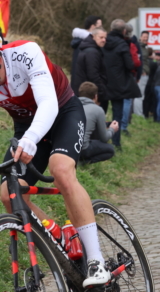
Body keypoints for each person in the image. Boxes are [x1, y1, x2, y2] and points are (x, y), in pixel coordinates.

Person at [0, 40, 112, 287]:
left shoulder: (25, 53)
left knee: (61, 170)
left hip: (62, 113)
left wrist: (31, 139)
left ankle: (96, 261)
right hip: (26, 125)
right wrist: (27, 135)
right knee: (9, 193)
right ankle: (56, 234)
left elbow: (48, 103)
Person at [102, 19, 140, 149]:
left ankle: (99, 142)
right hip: (119, 86)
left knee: (100, 114)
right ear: (124, 31)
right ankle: (116, 143)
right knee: (116, 116)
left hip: (103, 83)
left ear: (111, 29)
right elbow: (130, 65)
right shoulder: (123, 44)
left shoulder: (102, 41)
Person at [78, 82, 118, 164]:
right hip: (82, 149)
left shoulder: (70, 106)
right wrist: (112, 129)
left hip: (66, 149)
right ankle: (83, 163)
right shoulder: (97, 110)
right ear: (95, 96)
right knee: (110, 150)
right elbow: (104, 138)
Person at [71, 27, 108, 112]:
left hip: (84, 94)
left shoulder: (89, 49)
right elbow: (93, 75)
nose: (104, 40)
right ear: (93, 36)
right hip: (89, 95)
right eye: (101, 37)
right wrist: (100, 95)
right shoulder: (92, 52)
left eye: (105, 38)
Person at [70, 15, 102, 81]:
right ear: (93, 27)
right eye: (100, 26)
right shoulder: (85, 44)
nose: (102, 28)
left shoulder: (79, 42)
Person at [133, 30, 150, 117]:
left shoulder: (144, 48)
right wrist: (142, 71)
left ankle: (138, 113)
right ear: (140, 37)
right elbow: (140, 60)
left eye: (147, 37)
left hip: (144, 73)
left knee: (140, 95)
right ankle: (138, 114)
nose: (145, 38)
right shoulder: (139, 47)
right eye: (144, 37)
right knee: (139, 95)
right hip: (142, 74)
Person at [143, 47, 158, 120]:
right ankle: (153, 114)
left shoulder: (145, 62)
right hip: (152, 82)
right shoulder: (154, 63)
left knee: (145, 99)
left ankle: (145, 114)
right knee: (153, 99)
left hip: (145, 82)